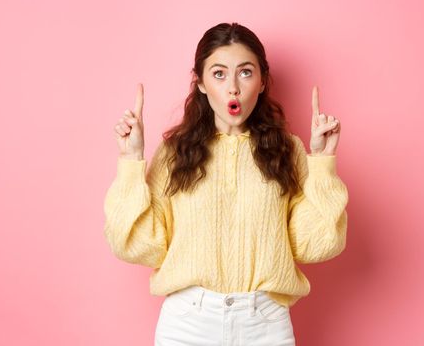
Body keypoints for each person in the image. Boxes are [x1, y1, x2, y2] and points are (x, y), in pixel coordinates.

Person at [104, 22, 348, 346]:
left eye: (245, 73)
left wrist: (321, 161)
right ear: (201, 83)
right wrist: (131, 162)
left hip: (266, 325)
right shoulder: (175, 153)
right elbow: (137, 244)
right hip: (187, 325)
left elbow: (315, 244)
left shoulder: (287, 150)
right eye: (219, 74)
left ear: (262, 81)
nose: (233, 87)